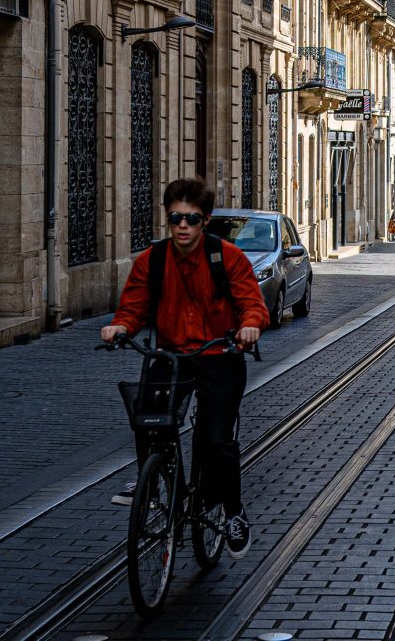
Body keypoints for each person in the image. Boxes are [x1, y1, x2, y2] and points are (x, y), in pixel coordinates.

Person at [102, 177, 269, 553]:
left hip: (220, 356)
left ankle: (233, 511)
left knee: (215, 438)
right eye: (175, 217)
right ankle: (159, 486)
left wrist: (249, 326)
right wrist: (120, 326)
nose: (182, 226)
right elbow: (134, 305)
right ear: (167, 217)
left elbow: (251, 302)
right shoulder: (153, 260)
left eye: (191, 219)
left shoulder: (227, 257)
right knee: (149, 422)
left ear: (205, 221)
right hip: (171, 356)